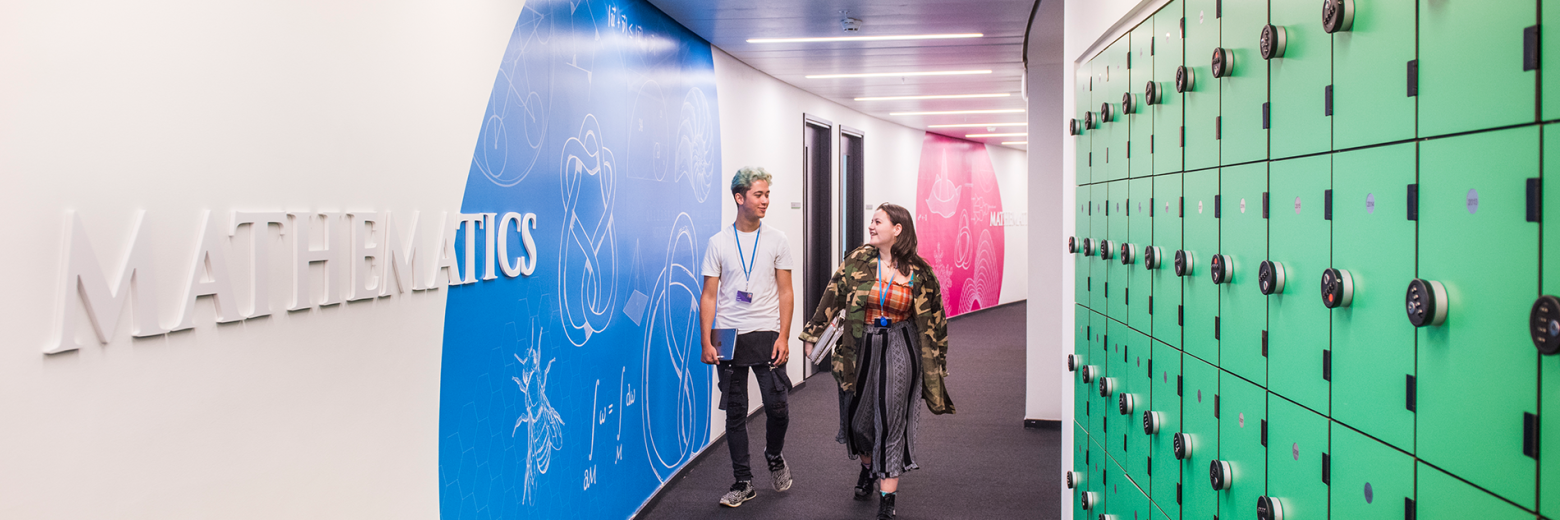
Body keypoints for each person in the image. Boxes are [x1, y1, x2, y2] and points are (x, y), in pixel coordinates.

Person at [799, 203, 954, 520]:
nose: (871, 226)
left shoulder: (920, 273)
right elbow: (832, 295)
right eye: (871, 220)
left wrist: (936, 363)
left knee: (892, 421)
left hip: (900, 345)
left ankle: (887, 499)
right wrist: (813, 335)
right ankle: (868, 468)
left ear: (897, 229)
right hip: (860, 346)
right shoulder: (858, 260)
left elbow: (936, 321)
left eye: (877, 221)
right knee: (859, 423)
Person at [699, 166, 796, 508]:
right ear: (740, 198)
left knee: (778, 407)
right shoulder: (718, 242)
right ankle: (743, 481)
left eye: (767, 194)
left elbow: (786, 292)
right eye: (759, 194)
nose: (765, 200)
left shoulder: (777, 239)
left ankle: (774, 454)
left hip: (766, 329)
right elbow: (709, 295)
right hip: (727, 333)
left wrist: (784, 336)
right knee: (735, 411)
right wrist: (706, 341)